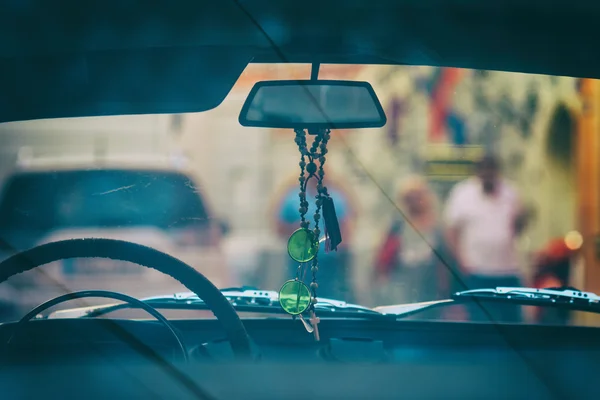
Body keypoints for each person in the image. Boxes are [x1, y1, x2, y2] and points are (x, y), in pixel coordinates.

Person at [444, 154, 527, 323]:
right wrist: (461, 261)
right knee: (480, 322)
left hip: (507, 270)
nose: (489, 175)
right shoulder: (462, 193)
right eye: (485, 171)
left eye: (492, 171)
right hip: (477, 270)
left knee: (511, 322)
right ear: (478, 172)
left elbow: (517, 227)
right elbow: (451, 231)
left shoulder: (510, 192)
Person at [374, 176, 451, 310]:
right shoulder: (397, 224)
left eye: (417, 197)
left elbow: (444, 257)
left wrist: (444, 286)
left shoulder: (437, 225)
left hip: (428, 281)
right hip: (401, 280)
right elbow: (384, 254)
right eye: (410, 198)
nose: (414, 202)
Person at [277, 178, 352, 301]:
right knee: (299, 297)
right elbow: (279, 227)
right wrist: (294, 230)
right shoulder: (292, 198)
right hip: (300, 261)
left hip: (329, 263)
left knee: (329, 301)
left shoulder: (335, 198)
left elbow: (345, 229)